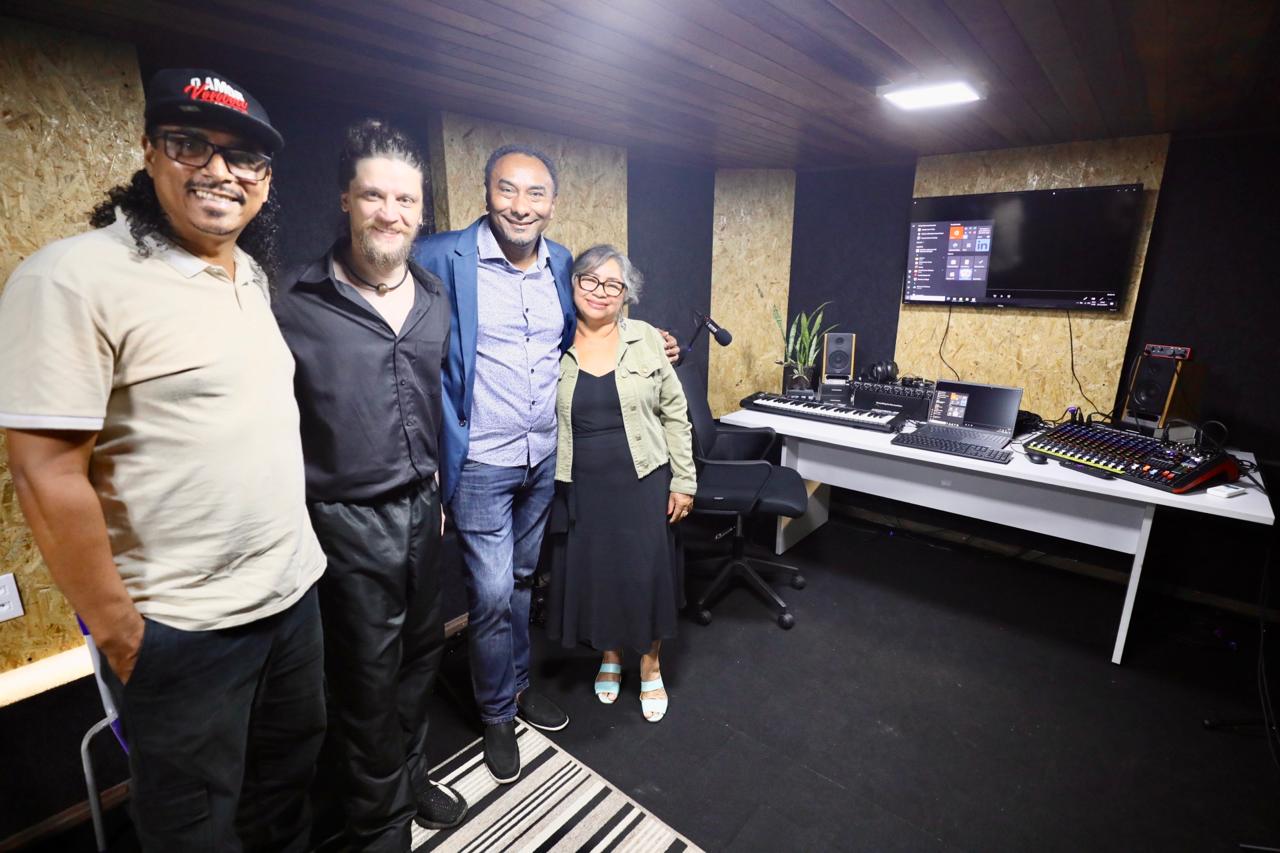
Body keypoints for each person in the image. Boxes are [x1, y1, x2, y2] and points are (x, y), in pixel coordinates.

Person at [0, 69, 326, 851]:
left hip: (290, 601)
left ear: (265, 179)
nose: (219, 170)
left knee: (285, 797)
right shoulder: (71, 277)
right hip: (183, 630)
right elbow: (45, 473)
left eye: (243, 157)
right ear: (150, 153)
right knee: (195, 831)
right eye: (190, 145)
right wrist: (124, 636)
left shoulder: (247, 273)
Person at [413, 145, 680, 782]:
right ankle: (496, 714)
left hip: (544, 458)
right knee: (490, 594)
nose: (521, 205)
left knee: (524, 583)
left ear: (552, 204)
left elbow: (594, 321)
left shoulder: (561, 263)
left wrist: (650, 339)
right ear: (486, 193)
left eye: (535, 193)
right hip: (481, 460)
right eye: (507, 189)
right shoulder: (439, 256)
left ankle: (520, 686)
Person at [273, 120, 465, 850]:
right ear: (345, 200)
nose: (391, 212)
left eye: (405, 199)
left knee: (420, 658)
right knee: (364, 681)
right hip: (343, 520)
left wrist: (436, 486)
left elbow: (433, 401)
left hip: (423, 510)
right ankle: (378, 823)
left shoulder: (434, 297)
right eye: (374, 195)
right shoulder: (291, 299)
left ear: (421, 211)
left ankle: (407, 779)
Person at [546, 245, 696, 722]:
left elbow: (676, 413)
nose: (600, 292)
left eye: (613, 284)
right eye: (590, 280)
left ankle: (650, 665)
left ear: (626, 293)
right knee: (600, 574)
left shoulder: (648, 339)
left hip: (643, 478)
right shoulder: (551, 340)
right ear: (573, 284)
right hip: (580, 483)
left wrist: (684, 480)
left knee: (644, 573)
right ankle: (609, 656)